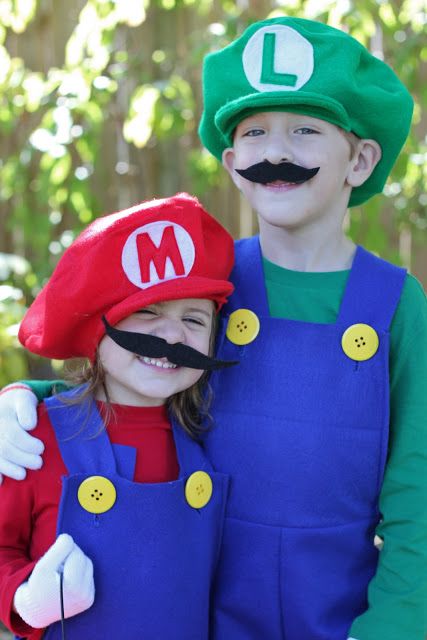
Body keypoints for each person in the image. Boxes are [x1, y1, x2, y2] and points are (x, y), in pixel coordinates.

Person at [0, 15, 426, 640]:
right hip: (197, 610)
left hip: (342, 616)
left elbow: (418, 488)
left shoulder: (396, 302)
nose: (276, 152)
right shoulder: (206, 282)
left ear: (359, 159)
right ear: (231, 160)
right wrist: (24, 401)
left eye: (305, 129)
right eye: (254, 133)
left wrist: (392, 625)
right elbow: (132, 373)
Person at [0, 192, 236, 640]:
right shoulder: (34, 439)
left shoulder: (211, 434)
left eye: (194, 319)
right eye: (146, 312)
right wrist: (23, 597)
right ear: (96, 328)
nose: (171, 334)